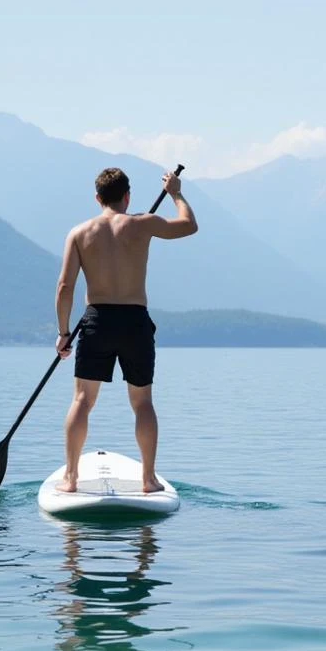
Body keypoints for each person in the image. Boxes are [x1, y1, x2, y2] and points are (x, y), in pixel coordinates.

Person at [54, 168, 197, 493]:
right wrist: (175, 193)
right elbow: (189, 225)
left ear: (97, 198)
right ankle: (147, 479)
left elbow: (65, 287)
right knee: (142, 402)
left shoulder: (79, 233)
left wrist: (64, 332)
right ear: (127, 196)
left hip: (97, 321)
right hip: (135, 322)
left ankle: (71, 478)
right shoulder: (143, 223)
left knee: (82, 400)